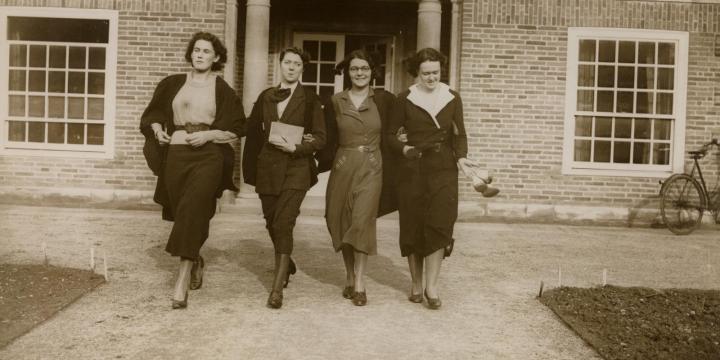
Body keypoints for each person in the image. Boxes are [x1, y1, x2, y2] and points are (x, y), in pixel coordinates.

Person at [140, 32, 245, 309]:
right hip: (176, 153)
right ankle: (195, 257)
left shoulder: (223, 89)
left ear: (217, 57)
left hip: (208, 155)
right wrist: (158, 129)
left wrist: (209, 136)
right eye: (196, 50)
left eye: (206, 51)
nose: (200, 55)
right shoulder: (172, 83)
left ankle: (181, 280)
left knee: (194, 207)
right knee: (181, 211)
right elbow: (153, 114)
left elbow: (237, 127)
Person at [387, 48, 476, 309]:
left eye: (435, 72)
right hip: (412, 169)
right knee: (413, 225)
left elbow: (459, 134)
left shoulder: (452, 97)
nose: (431, 78)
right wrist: (404, 149)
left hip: (443, 170)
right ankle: (416, 283)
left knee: (439, 225)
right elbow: (390, 135)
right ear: (417, 73)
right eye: (425, 73)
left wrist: (461, 157)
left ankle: (432, 286)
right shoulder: (405, 98)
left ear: (441, 70)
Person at [242, 47, 326, 309]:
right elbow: (251, 130)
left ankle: (276, 290)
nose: (291, 67)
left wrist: (298, 148)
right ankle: (286, 263)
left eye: (297, 64)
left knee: (284, 223)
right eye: (287, 62)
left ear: (302, 69)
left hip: (296, 169)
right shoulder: (266, 96)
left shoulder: (310, 99)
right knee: (271, 221)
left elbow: (321, 137)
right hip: (267, 167)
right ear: (280, 65)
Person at [318, 49, 397, 306]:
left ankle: (360, 283)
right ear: (348, 72)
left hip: (373, 165)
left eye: (364, 68)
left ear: (372, 71)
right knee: (340, 219)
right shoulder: (336, 101)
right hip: (343, 165)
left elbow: (397, 129)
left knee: (361, 221)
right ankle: (349, 275)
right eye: (354, 69)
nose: (360, 73)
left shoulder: (384, 101)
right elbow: (326, 135)